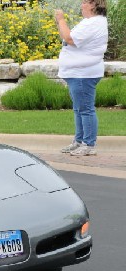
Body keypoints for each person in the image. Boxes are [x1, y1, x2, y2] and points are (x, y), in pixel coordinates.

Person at [55, 0, 108, 156]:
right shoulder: (89, 22)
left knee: (85, 110)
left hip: (83, 74)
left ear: (93, 5)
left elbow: (70, 39)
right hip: (77, 73)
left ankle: (89, 144)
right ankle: (79, 141)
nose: (81, 4)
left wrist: (61, 19)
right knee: (79, 109)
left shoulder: (93, 24)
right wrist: (60, 23)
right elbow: (66, 38)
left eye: (85, 2)